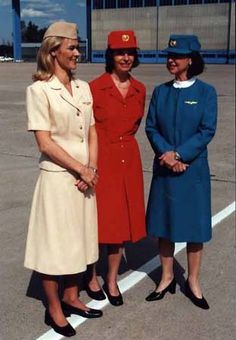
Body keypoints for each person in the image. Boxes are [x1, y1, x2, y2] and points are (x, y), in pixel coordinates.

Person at [24, 21, 103, 337]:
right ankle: (54, 308)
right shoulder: (39, 90)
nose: (77, 53)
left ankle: (72, 296)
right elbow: (45, 143)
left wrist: (91, 168)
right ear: (53, 50)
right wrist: (80, 169)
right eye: (72, 47)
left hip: (84, 179)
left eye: (77, 47)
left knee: (80, 242)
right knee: (55, 246)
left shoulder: (83, 88)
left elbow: (93, 131)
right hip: (59, 179)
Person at [145, 35, 217, 309]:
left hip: (192, 170)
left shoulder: (206, 93)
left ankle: (193, 281)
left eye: (177, 56)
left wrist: (179, 154)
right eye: (169, 55)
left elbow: (206, 130)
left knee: (195, 229)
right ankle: (166, 278)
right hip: (165, 169)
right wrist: (167, 155)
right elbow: (152, 127)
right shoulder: (161, 92)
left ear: (191, 59)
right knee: (165, 227)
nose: (171, 60)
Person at [87, 30, 146, 306]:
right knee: (96, 222)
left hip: (128, 160)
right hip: (101, 159)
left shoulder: (140, 89)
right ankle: (91, 275)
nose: (125, 57)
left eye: (130, 52)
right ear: (110, 55)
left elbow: (135, 125)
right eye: (120, 52)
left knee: (120, 225)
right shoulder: (93, 87)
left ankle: (111, 279)